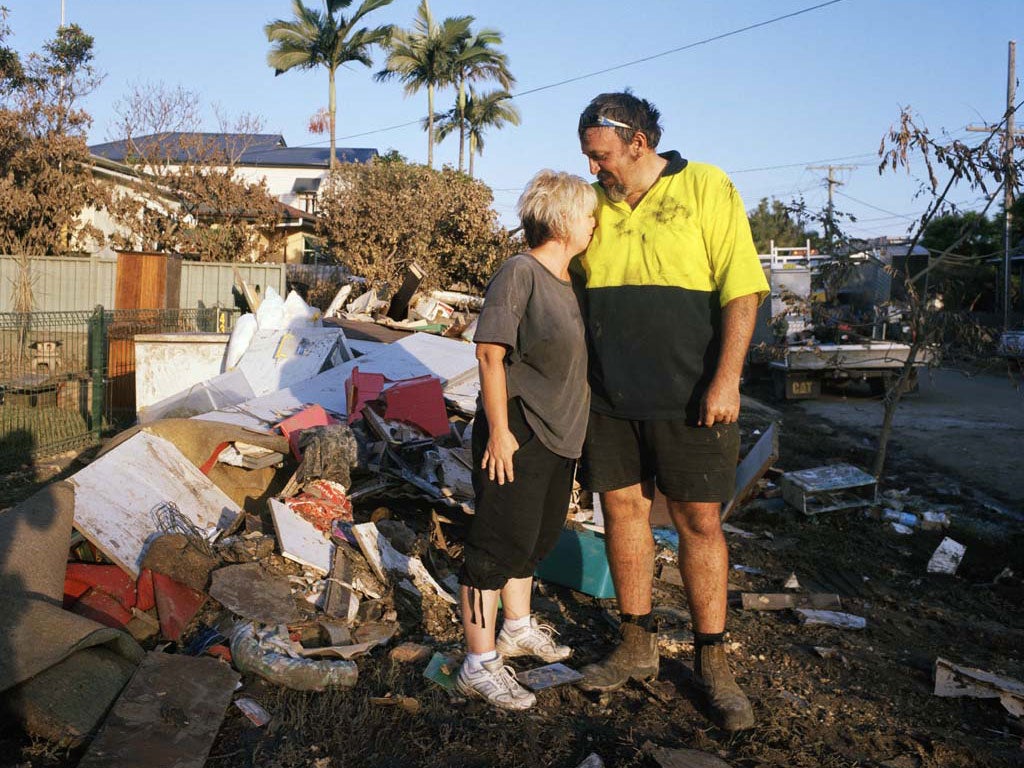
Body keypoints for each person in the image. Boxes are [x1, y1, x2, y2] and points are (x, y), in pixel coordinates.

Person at [572, 92, 769, 731]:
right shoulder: (591, 204)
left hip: (693, 396)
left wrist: (727, 379)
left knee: (699, 522)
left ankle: (713, 660)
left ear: (639, 142)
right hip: (610, 396)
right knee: (621, 511)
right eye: (587, 158)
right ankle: (636, 643)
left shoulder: (707, 187)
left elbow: (743, 290)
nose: (595, 168)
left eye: (602, 156)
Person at [456, 169, 598, 710]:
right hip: (519, 431)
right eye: (587, 215)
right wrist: (499, 433)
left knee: (531, 543)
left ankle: (515, 629)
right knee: (492, 550)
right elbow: (490, 353)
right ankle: (477, 662)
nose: (593, 225)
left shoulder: (570, 284)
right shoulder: (520, 273)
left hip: (559, 438)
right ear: (563, 220)